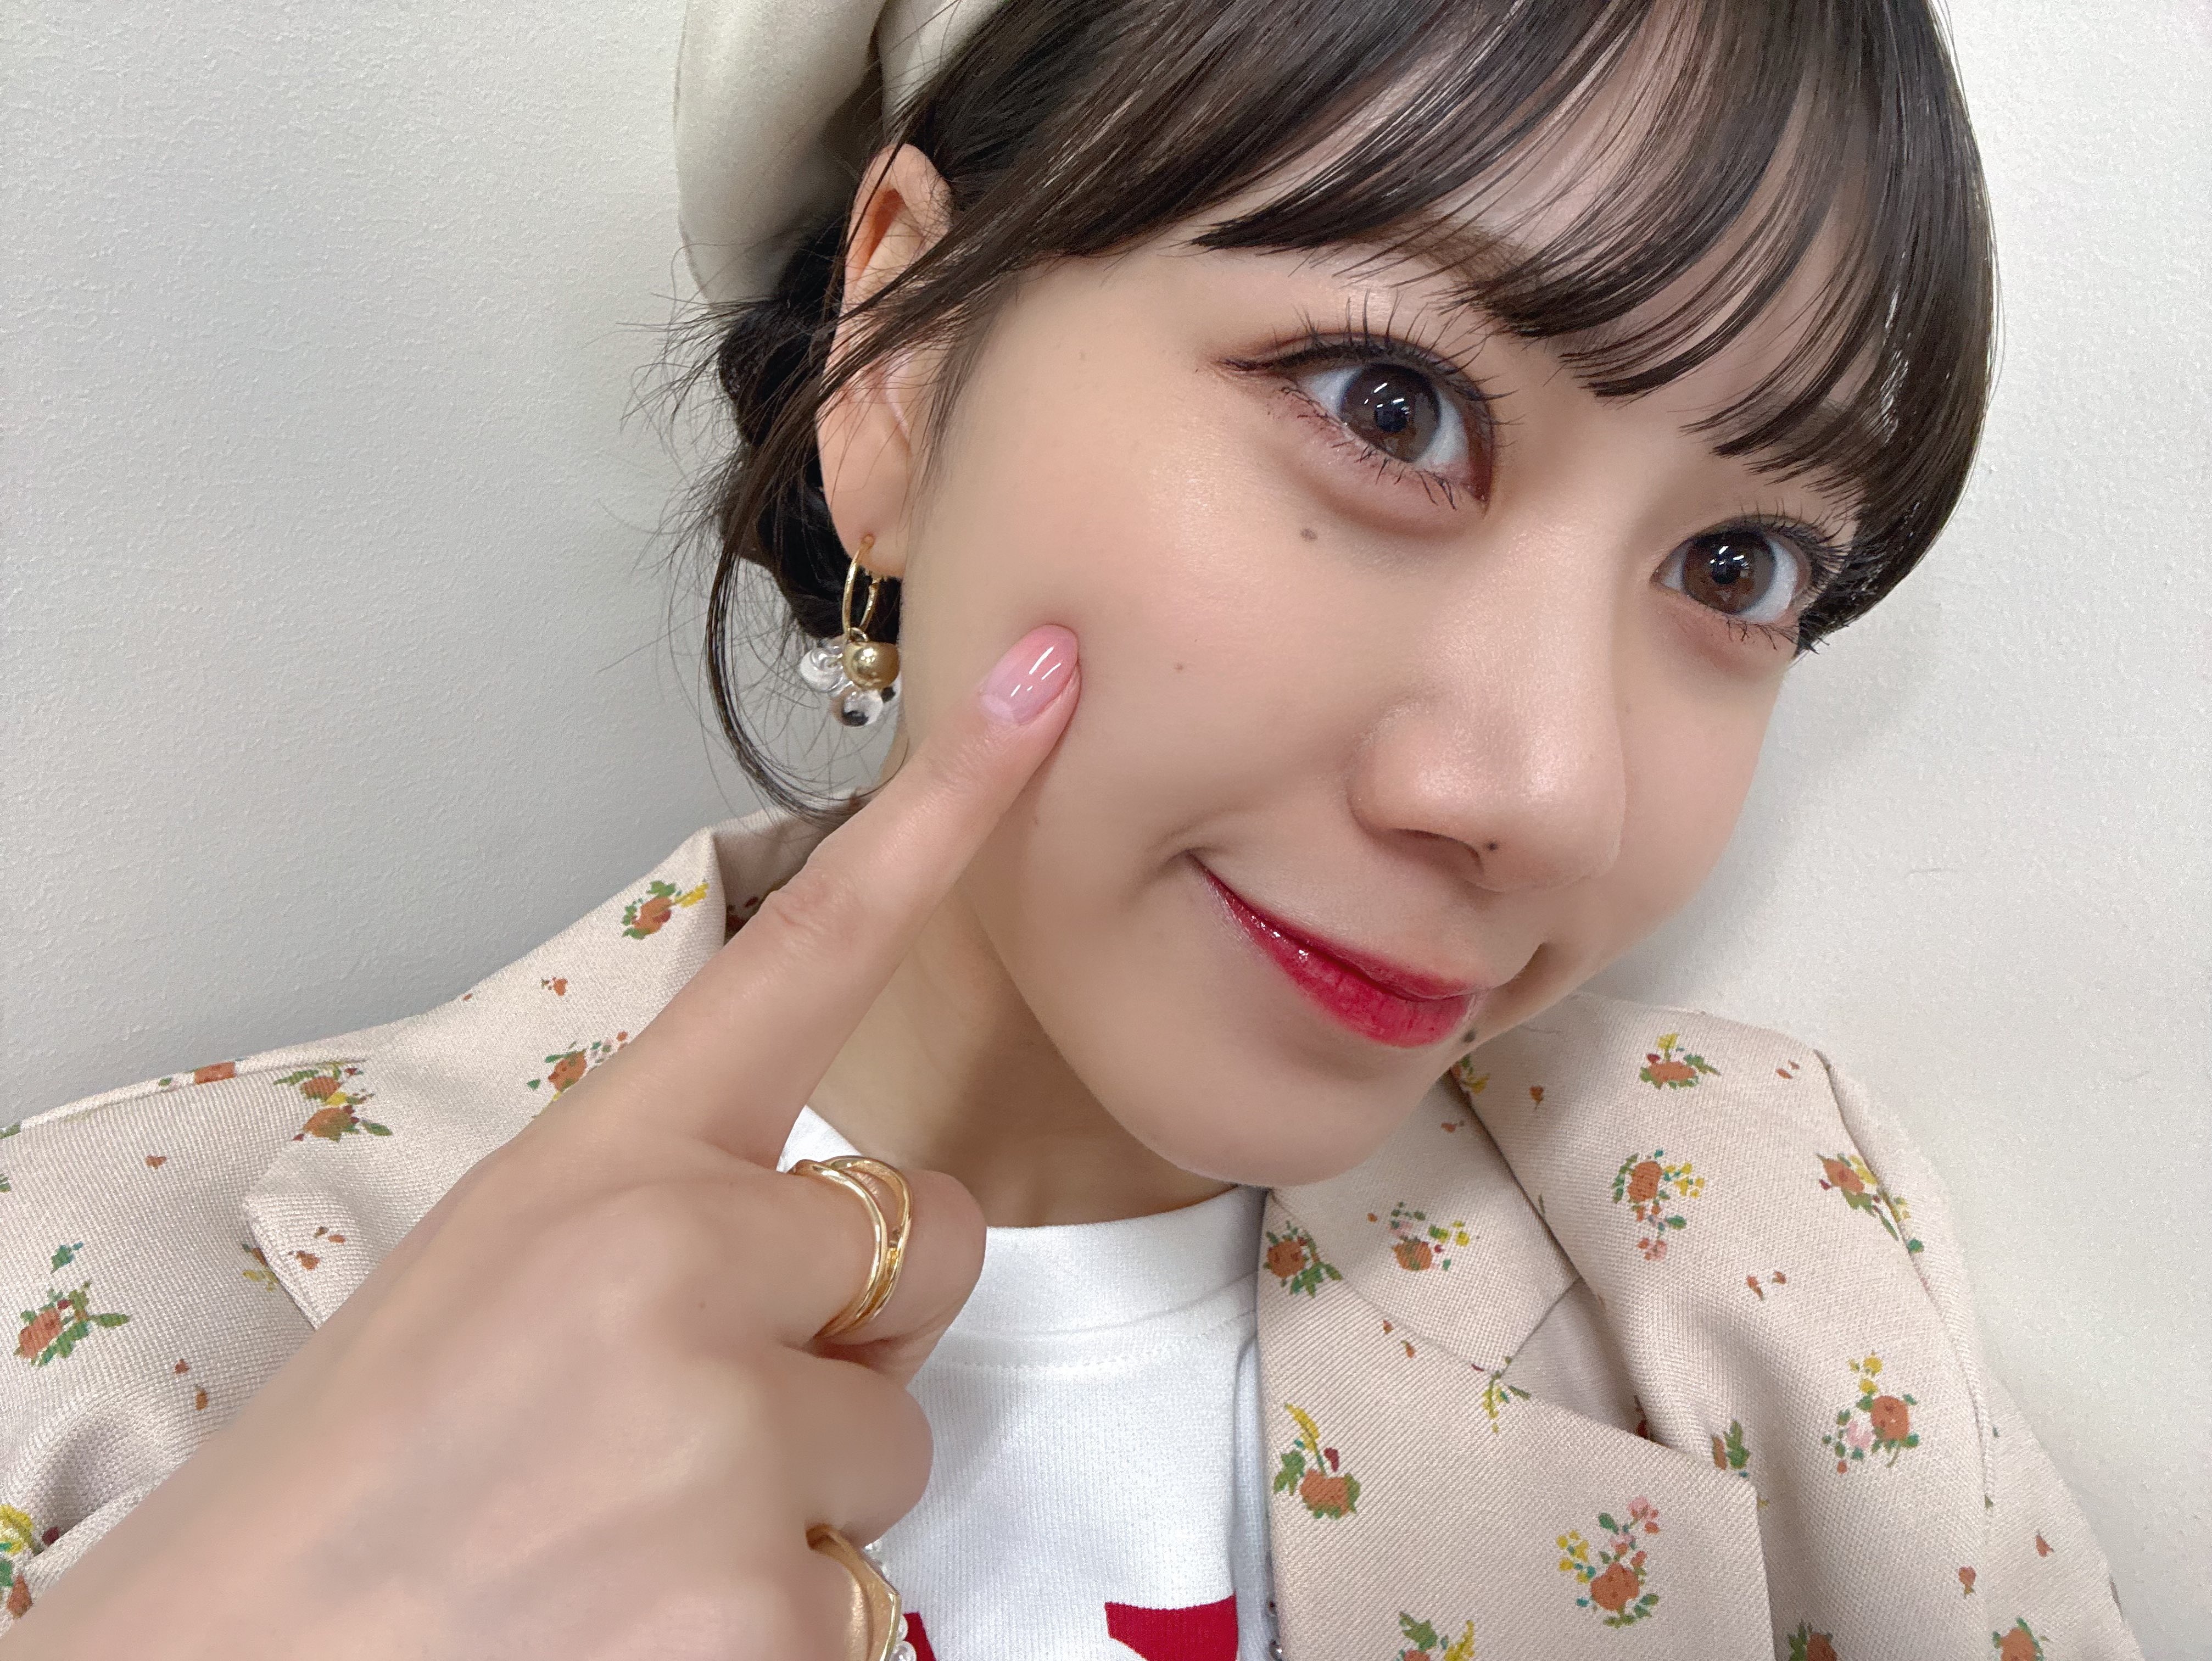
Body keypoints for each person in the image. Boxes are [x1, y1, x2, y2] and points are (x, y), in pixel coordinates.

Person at [0, 1, 2148, 1657]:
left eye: (1737, 565)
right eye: (1387, 406)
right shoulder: (85, 1305)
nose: (1540, 794)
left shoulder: (1770, 1258)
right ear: (894, 361)